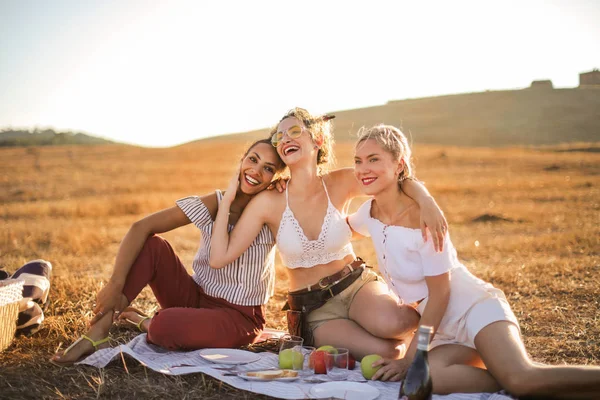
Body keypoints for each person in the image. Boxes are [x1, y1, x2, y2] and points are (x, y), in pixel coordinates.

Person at [348, 124, 600, 398]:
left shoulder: (424, 220)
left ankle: (517, 375)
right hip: (443, 331)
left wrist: (412, 355)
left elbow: (441, 294)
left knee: (523, 381)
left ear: (398, 165)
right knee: (432, 381)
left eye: (374, 159)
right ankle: (508, 374)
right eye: (358, 161)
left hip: (473, 310)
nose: (363, 169)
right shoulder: (369, 213)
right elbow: (335, 230)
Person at [209, 108, 448, 360]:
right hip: (314, 310)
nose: (285, 140)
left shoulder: (341, 181)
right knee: (388, 352)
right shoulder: (269, 201)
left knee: (396, 324)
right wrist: (227, 201)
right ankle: (416, 349)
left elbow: (393, 180)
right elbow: (218, 258)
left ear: (317, 140)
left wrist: (427, 201)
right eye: (279, 137)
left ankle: (441, 331)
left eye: (294, 131)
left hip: (355, 285)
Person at [50, 139, 286, 366]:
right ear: (242, 159)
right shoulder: (216, 201)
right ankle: (96, 333)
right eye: (253, 159)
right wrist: (115, 283)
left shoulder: (273, 207)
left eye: (268, 168)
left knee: (163, 326)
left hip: (238, 316)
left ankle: (145, 322)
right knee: (153, 246)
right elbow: (141, 227)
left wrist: (288, 188)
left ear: (276, 177)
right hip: (196, 297)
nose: (255, 171)